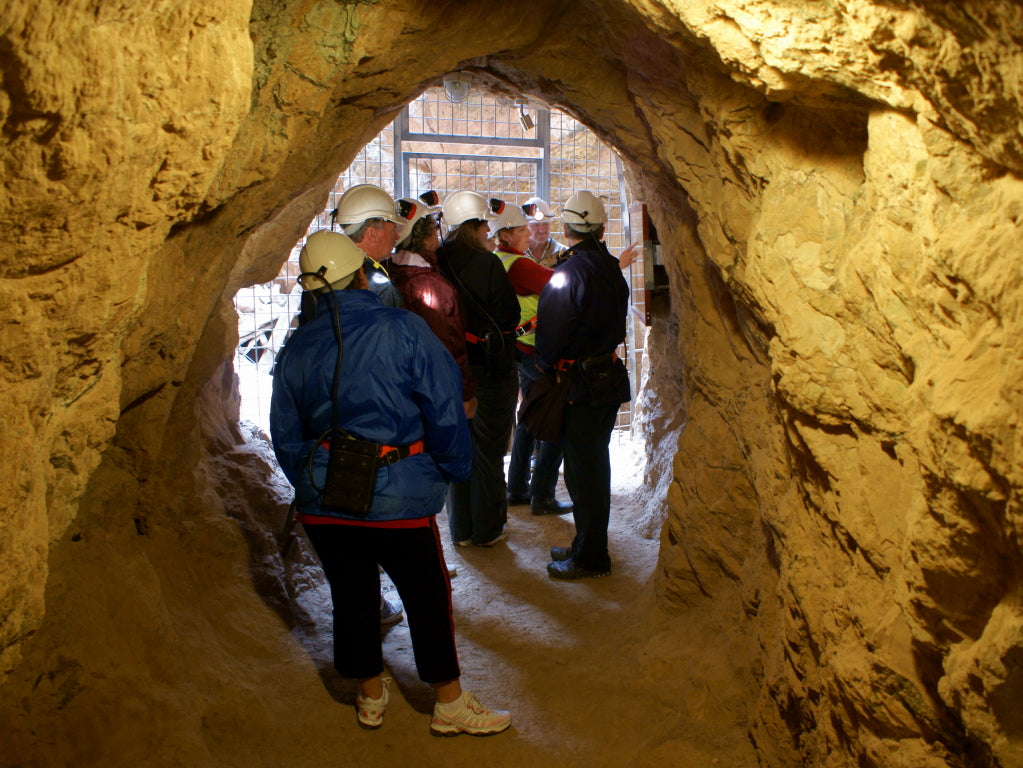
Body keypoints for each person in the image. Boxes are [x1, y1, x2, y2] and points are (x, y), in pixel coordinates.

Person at [270, 230, 511, 735]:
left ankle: (370, 693)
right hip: (398, 496)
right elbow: (444, 407)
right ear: (360, 273)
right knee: (426, 595)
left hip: (324, 501)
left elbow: (286, 433)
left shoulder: (296, 347)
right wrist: (451, 467)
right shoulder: (402, 329)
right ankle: (448, 703)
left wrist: (314, 481)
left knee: (351, 594)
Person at [534, 191, 632, 580]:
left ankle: (591, 556)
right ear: (602, 228)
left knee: (584, 472)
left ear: (565, 228)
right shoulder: (610, 267)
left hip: (579, 384)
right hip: (604, 377)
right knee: (590, 467)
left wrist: (544, 366)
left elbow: (552, 331)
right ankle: (584, 544)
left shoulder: (567, 273)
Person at [436, 190, 520, 548]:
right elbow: (509, 315)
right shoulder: (487, 264)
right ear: (473, 226)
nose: (489, 228)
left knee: (461, 446)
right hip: (488, 368)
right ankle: (488, 528)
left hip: (452, 368)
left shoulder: (437, 260)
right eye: (485, 222)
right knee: (487, 449)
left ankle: (462, 529)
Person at [489, 199, 571, 517]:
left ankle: (518, 488)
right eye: (523, 229)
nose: (529, 233)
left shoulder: (499, 259)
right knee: (555, 419)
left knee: (527, 416)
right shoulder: (520, 265)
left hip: (519, 347)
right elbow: (561, 284)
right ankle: (543, 495)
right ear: (506, 234)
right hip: (535, 349)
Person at [390, 192, 477, 420]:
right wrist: (465, 394)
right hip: (437, 393)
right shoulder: (432, 287)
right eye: (433, 226)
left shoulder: (388, 273)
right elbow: (450, 344)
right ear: (425, 236)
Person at [332, 183, 404, 308]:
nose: (397, 237)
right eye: (392, 230)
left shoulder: (326, 271)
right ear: (372, 233)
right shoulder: (381, 288)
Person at [521, 196, 567, 268]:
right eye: (536, 225)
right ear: (525, 226)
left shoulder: (563, 254)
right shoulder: (518, 255)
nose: (542, 230)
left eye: (546, 224)